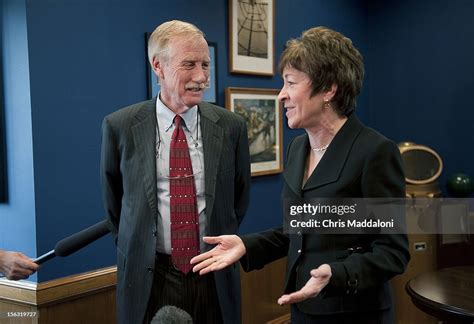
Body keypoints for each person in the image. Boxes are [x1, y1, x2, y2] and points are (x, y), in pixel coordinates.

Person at [191, 27, 410, 324]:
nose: (281, 95)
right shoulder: (297, 148)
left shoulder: (375, 152)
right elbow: (298, 229)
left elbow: (392, 251)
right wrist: (247, 246)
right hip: (301, 308)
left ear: (329, 89)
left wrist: (337, 273)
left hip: (354, 314)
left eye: (291, 83)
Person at [100, 20, 250, 324]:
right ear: (158, 66)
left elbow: (238, 201)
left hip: (213, 273)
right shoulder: (121, 126)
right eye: (190, 64)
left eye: (206, 64)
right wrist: (140, 245)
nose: (201, 76)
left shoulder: (232, 127)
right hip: (150, 278)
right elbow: (115, 205)